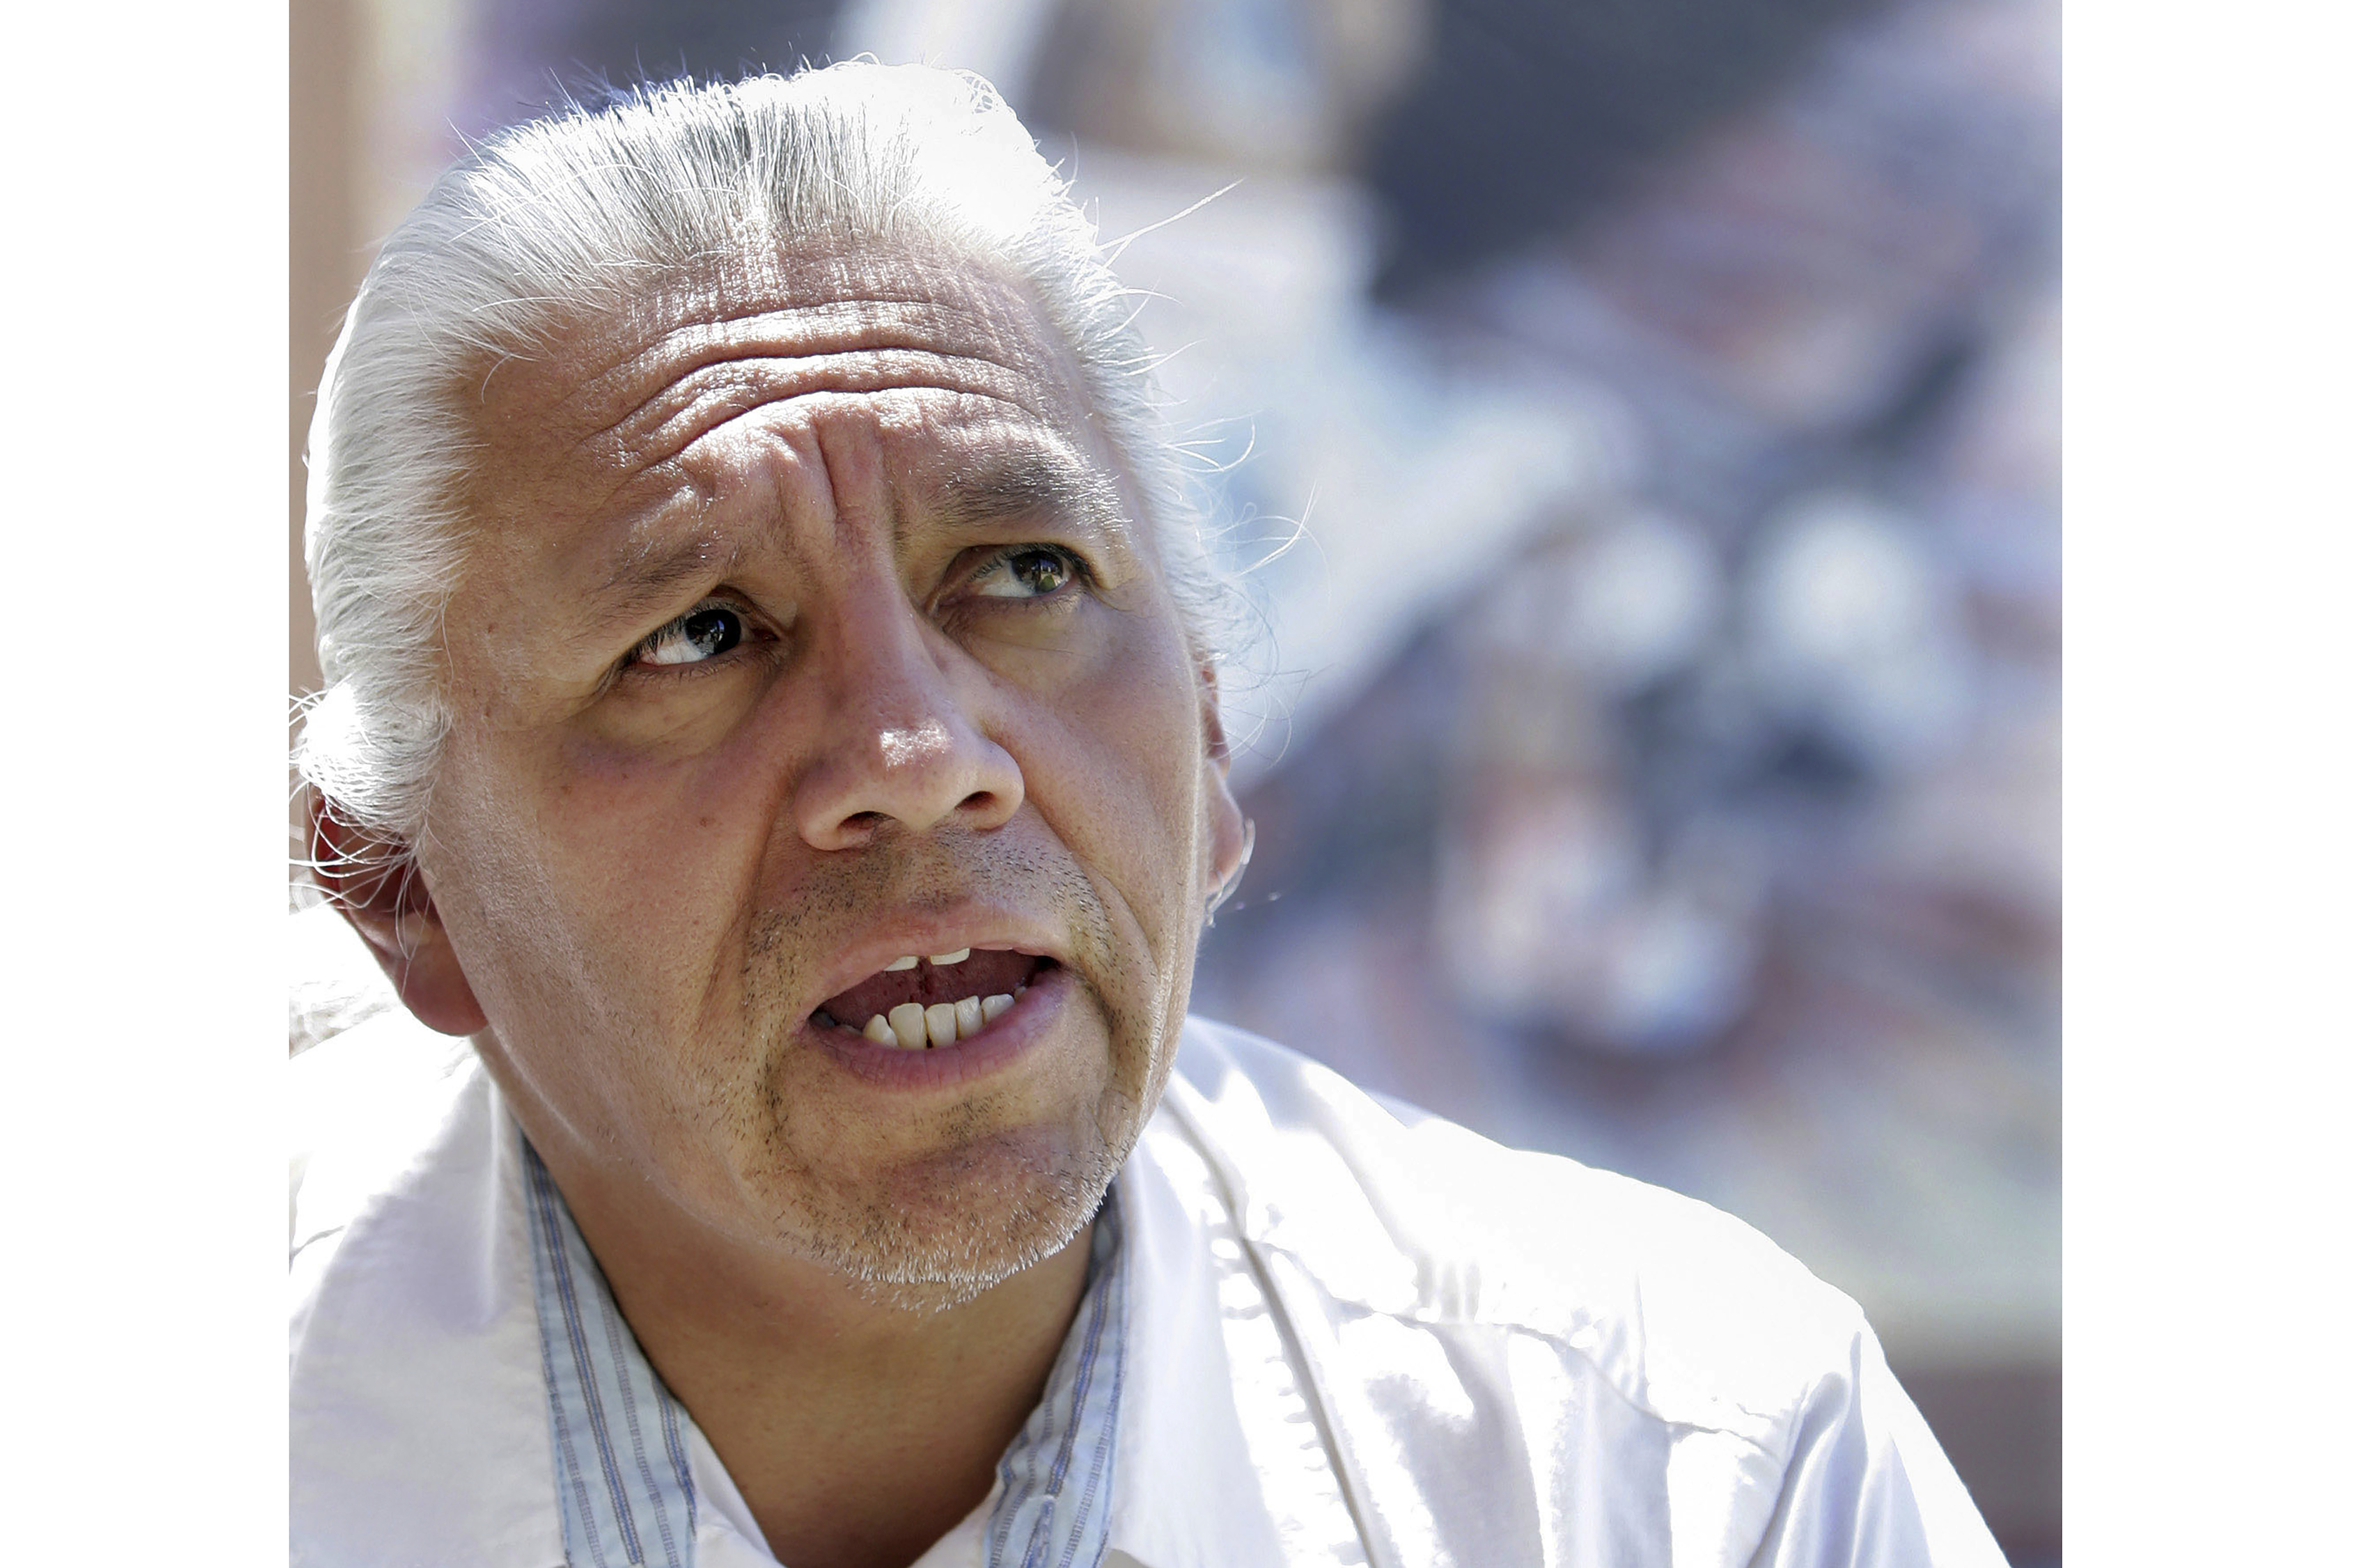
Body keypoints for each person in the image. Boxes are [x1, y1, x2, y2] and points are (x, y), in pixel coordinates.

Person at [290, 62, 2006, 1568]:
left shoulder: (1678, 1469)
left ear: (1207, 740)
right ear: (393, 889)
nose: (920, 750)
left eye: (1024, 571)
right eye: (698, 637)